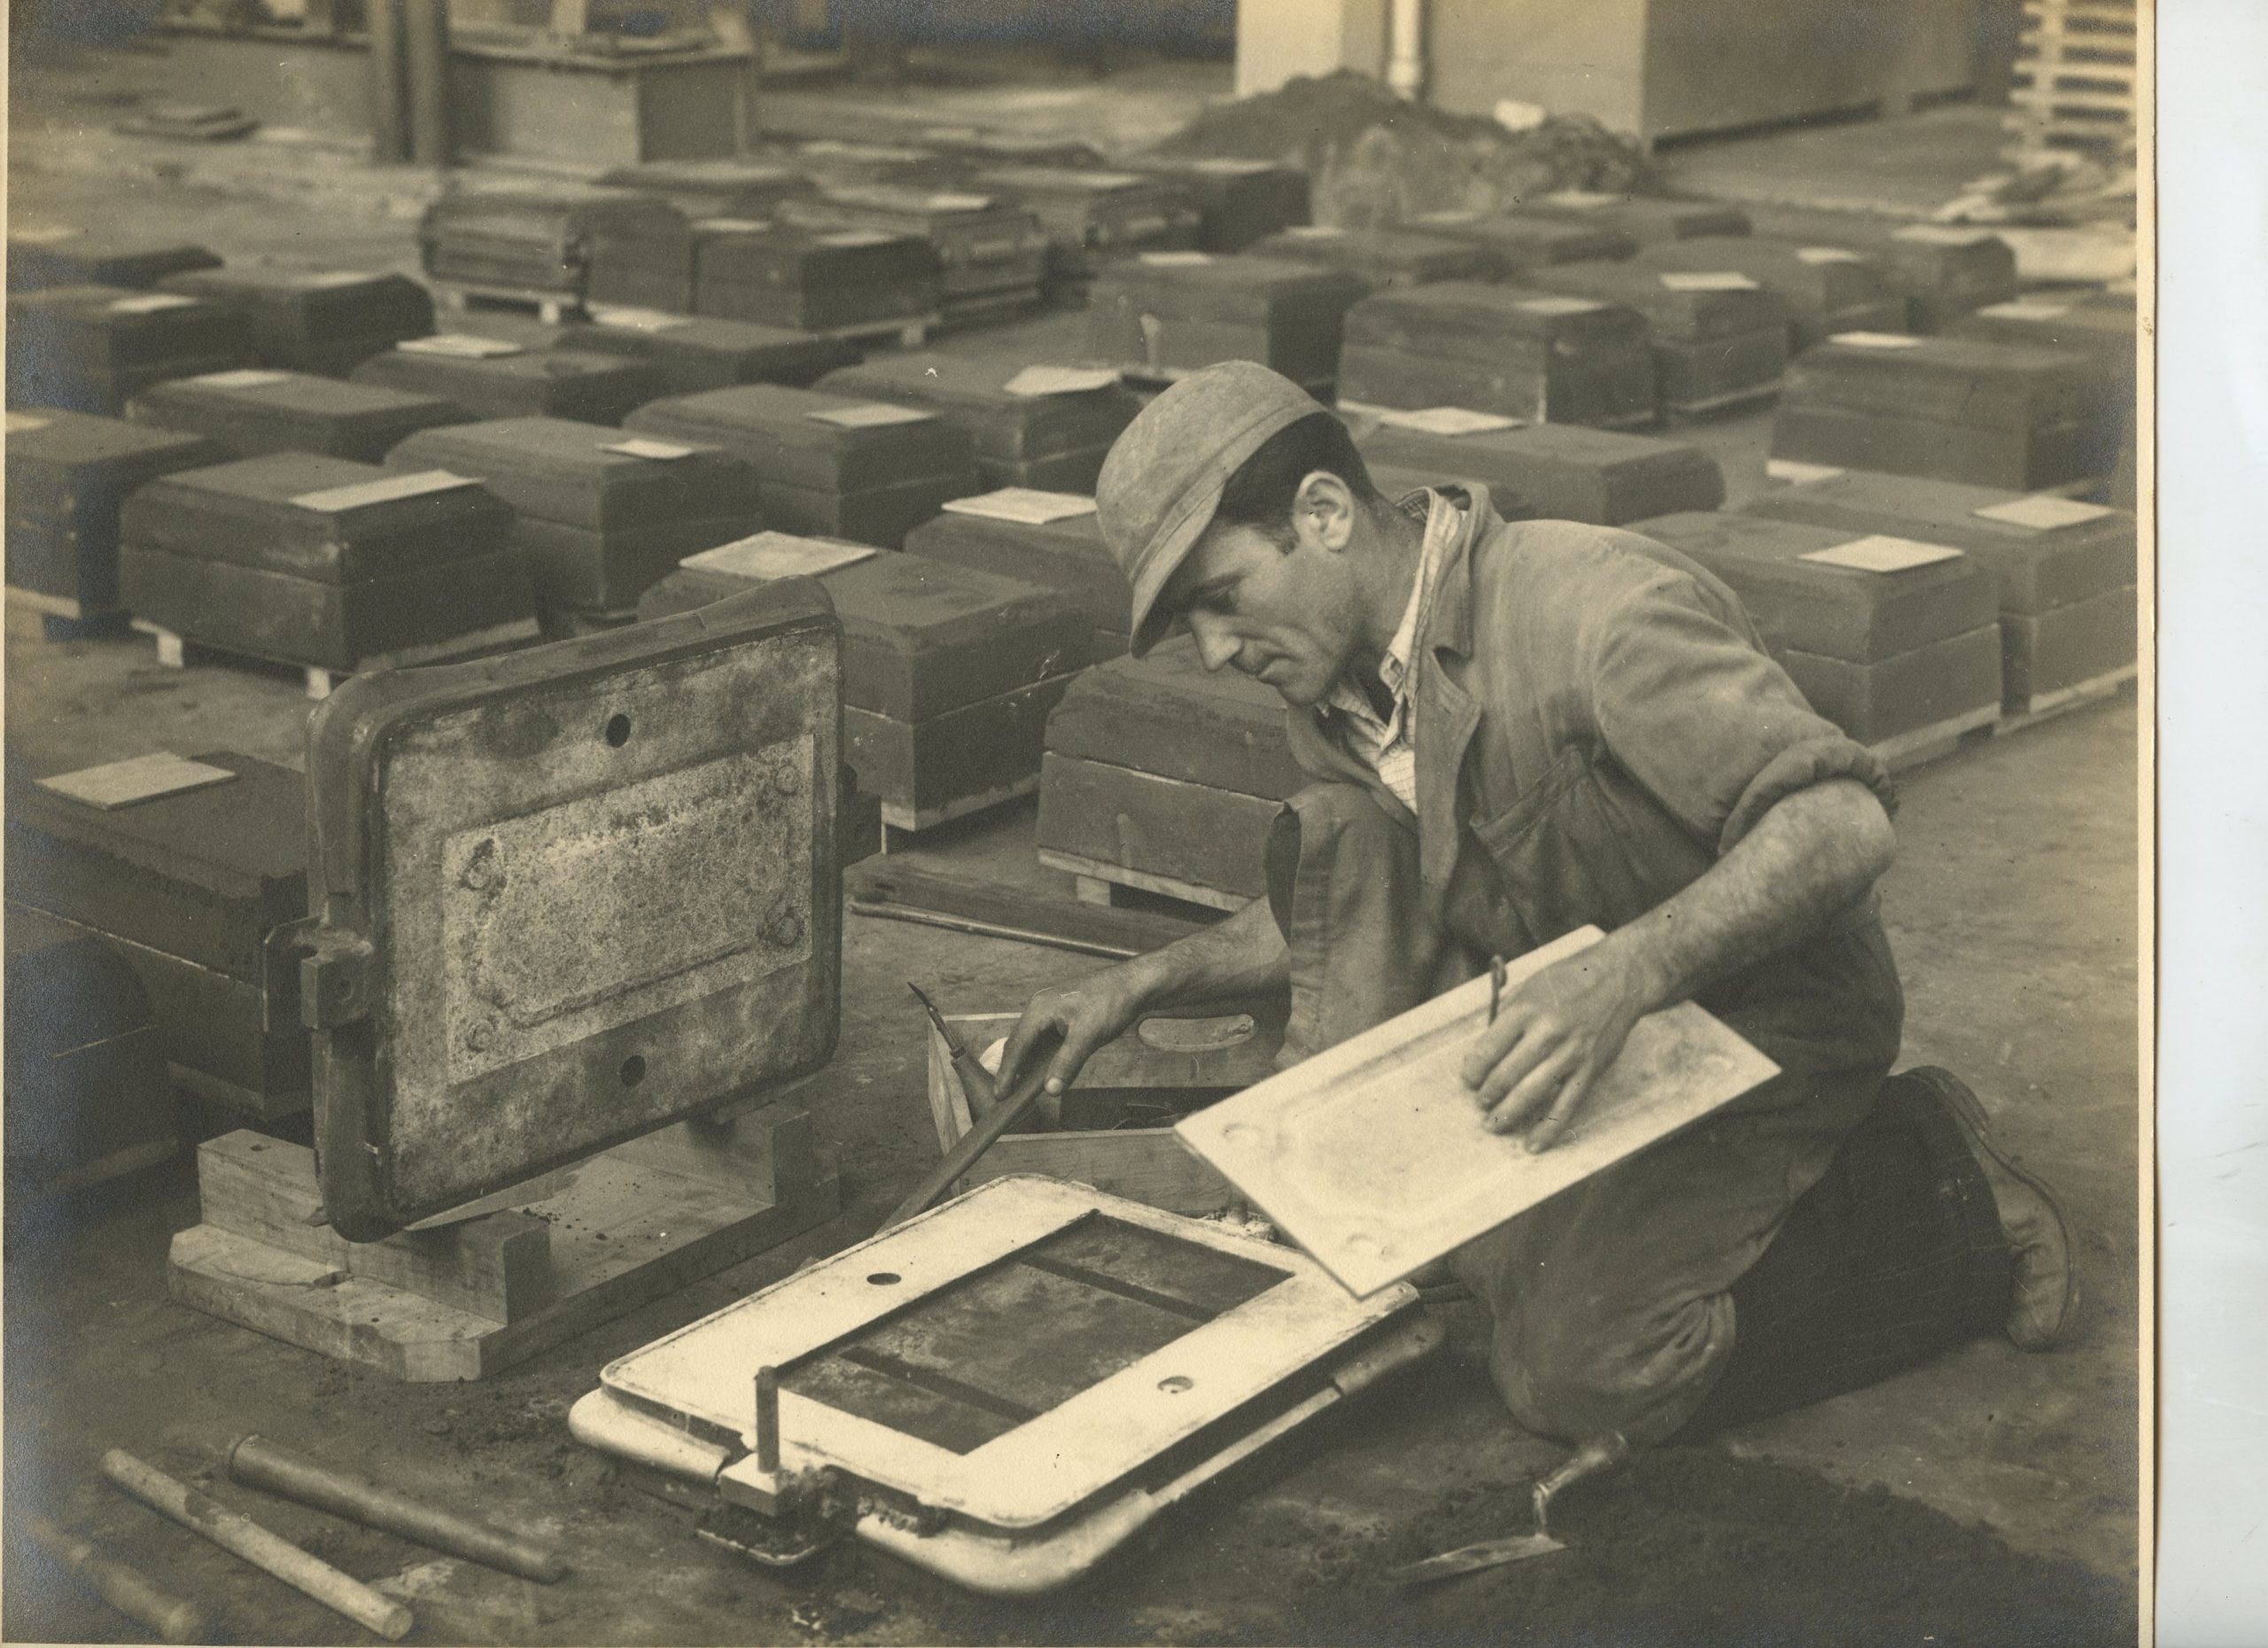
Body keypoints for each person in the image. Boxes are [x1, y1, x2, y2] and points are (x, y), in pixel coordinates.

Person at [996, 361, 2078, 1446]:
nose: (1216, 652)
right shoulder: (1335, 698)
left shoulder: (1593, 608)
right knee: (1348, 874)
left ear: (1322, 513)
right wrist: (1143, 983)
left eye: (1221, 599)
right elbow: (1347, 904)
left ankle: (1937, 1182)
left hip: (1767, 1020)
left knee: (1582, 1368)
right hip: (1582, 1018)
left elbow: (1842, 823)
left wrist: (1623, 976)